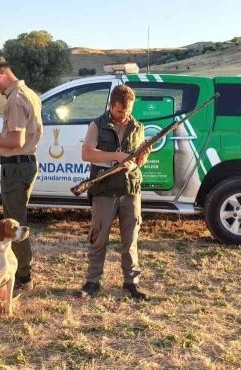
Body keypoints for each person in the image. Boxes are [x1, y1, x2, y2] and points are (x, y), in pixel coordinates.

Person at [78, 84, 152, 301]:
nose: (125, 116)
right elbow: (87, 153)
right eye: (121, 111)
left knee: (130, 239)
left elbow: (140, 161)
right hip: (104, 190)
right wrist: (116, 156)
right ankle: (92, 282)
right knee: (98, 237)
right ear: (111, 106)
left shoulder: (138, 127)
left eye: (128, 111)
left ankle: (131, 283)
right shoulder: (97, 125)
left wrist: (140, 159)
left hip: (130, 189)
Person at [0, 56, 42, 292]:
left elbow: (17, 140)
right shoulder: (29, 93)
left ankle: (22, 276)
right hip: (24, 164)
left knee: (15, 222)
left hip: (16, 166)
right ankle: (19, 271)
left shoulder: (15, 99)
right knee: (17, 216)